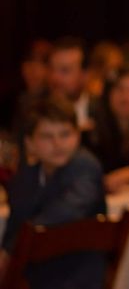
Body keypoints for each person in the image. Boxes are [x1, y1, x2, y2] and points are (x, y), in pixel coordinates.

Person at [0, 95, 106, 289]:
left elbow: (67, 211)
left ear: (78, 136)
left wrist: (12, 248)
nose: (58, 144)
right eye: (47, 136)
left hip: (76, 277)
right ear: (30, 143)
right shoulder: (29, 172)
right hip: (36, 276)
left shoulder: (84, 165)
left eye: (65, 134)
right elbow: (17, 218)